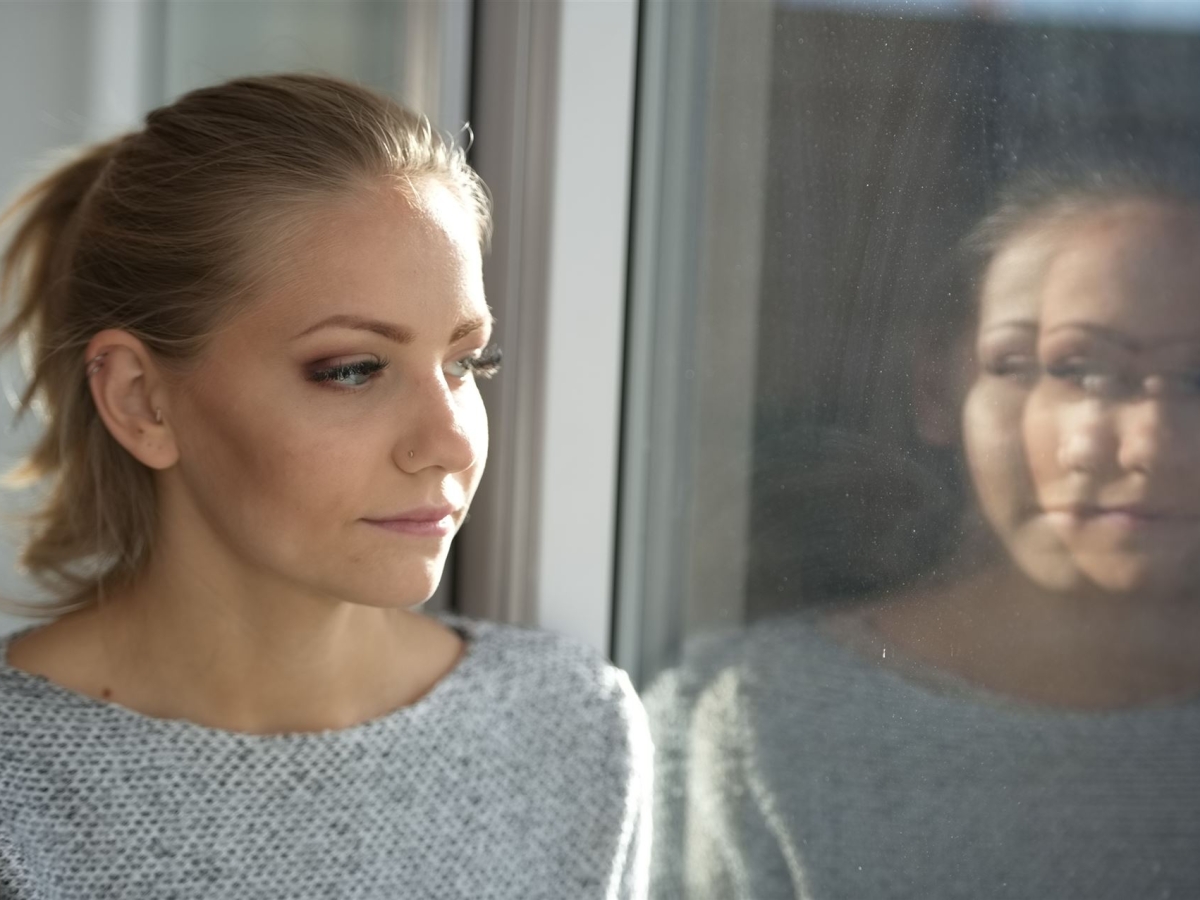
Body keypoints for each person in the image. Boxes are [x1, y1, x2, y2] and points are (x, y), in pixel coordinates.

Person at [0, 73, 650, 899]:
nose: (449, 441)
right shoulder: (16, 793)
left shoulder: (570, 729)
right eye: (352, 370)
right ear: (140, 400)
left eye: (465, 362)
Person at [647, 160, 1200, 899]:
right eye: (1069, 368)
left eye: (1197, 379)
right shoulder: (757, 723)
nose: (1146, 443)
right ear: (937, 386)